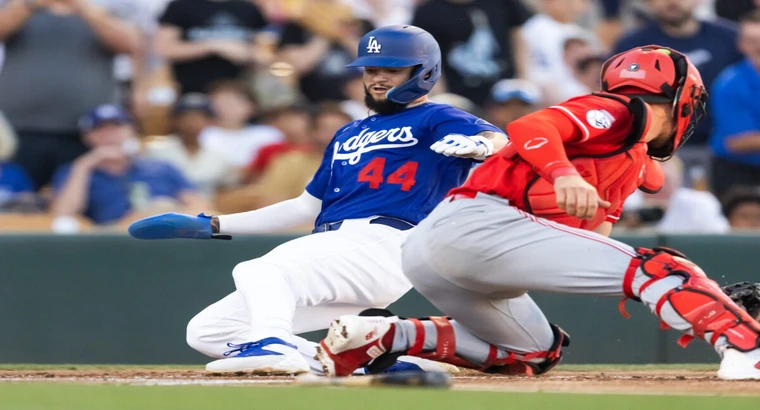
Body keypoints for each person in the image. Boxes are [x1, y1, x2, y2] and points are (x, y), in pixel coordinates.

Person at [316, 46, 760, 382]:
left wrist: (700, 299)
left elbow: (597, 252)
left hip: (442, 248)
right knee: (665, 267)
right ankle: (747, 348)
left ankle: (382, 336)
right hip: (480, 224)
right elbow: (531, 126)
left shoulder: (632, 160)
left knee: (533, 352)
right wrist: (564, 175)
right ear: (684, 98)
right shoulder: (624, 111)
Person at [127, 25, 508, 375]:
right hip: (339, 249)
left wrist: (480, 145)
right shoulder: (348, 132)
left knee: (260, 271)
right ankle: (367, 362)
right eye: (371, 68)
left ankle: (274, 346)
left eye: (392, 69)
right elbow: (304, 208)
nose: (378, 76)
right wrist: (211, 225)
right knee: (209, 331)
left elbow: (498, 139)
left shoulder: (435, 117)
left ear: (423, 71)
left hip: (389, 241)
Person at [0, 0, 141, 190]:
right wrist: (31, 4)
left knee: (80, 198)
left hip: (87, 131)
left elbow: (131, 44)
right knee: (16, 199)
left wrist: (81, 6)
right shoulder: (19, 5)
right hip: (21, 127)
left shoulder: (107, 7)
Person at [51, 104, 209, 226]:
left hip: (169, 235)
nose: (110, 136)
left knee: (164, 206)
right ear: (87, 137)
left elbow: (200, 207)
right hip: (114, 242)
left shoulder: (161, 168)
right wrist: (84, 166)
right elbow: (62, 217)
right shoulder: (76, 171)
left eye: (116, 128)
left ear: (131, 131)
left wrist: (167, 209)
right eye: (100, 130)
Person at [612, 0, 742, 145]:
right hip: (658, 141)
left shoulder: (730, 37)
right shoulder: (632, 45)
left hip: (725, 138)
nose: (672, 2)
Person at [708, 9, 760, 199]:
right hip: (738, 170)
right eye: (752, 41)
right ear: (741, 45)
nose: (759, 47)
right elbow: (737, 142)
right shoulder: (729, 83)